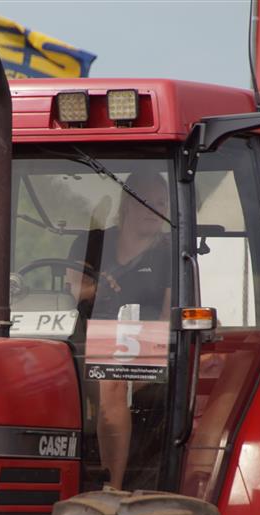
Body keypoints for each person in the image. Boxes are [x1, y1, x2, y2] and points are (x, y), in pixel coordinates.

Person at [65, 170, 172, 488]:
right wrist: (97, 289)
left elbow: (167, 317)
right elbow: (74, 290)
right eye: (145, 201)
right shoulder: (91, 243)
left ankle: (110, 489)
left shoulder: (170, 253)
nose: (154, 210)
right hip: (86, 341)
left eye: (161, 203)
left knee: (112, 381)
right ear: (126, 205)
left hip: (144, 341)